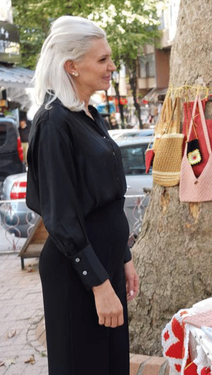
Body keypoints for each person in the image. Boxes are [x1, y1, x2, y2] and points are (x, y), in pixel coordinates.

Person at [26, 16, 140, 375]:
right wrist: (98, 284)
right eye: (103, 59)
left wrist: (123, 257)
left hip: (105, 268)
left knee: (111, 364)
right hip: (79, 277)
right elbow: (61, 216)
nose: (112, 67)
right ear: (72, 66)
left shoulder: (88, 115)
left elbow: (107, 200)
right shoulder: (53, 122)